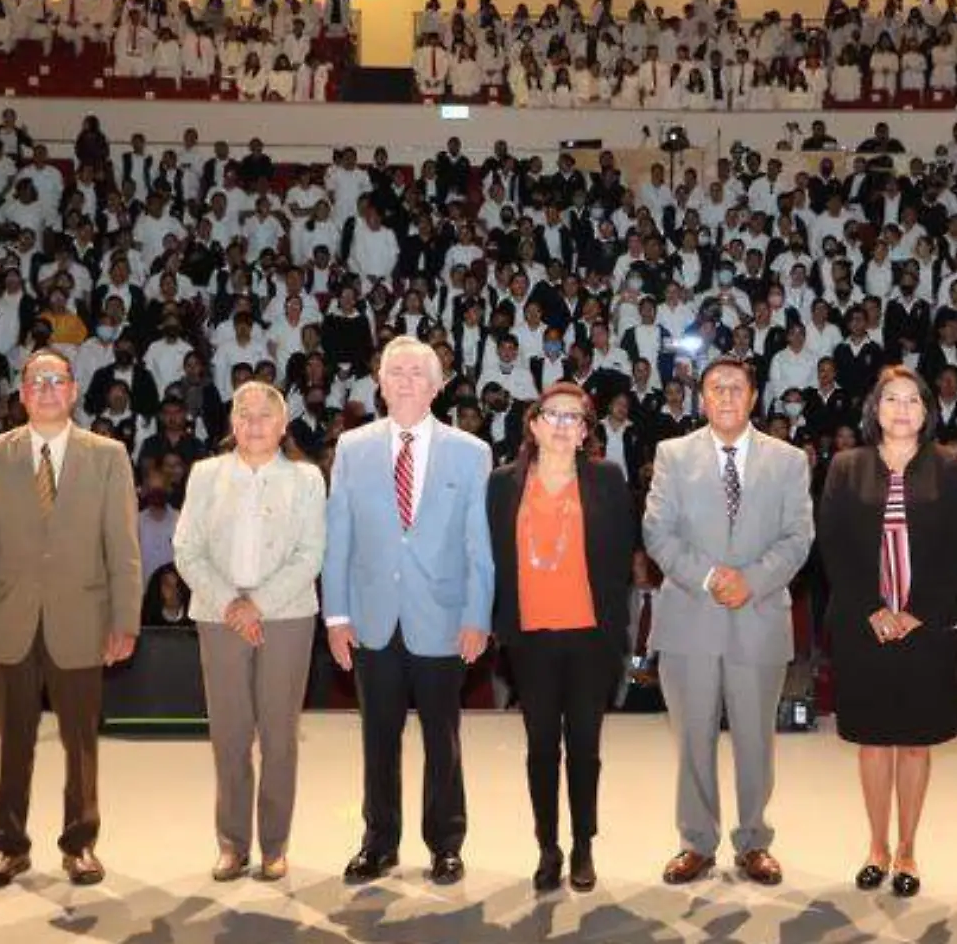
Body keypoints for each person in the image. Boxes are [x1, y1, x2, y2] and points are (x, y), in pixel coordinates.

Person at [0, 348, 142, 890]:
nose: (48, 388)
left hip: (82, 618)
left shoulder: (108, 455)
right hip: (6, 619)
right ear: (23, 391)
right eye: (38, 380)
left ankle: (80, 844)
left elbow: (123, 548)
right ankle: (8, 847)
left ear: (75, 390)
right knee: (13, 740)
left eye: (58, 379)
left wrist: (125, 620)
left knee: (81, 742)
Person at [323, 336, 495, 887]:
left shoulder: (471, 453)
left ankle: (446, 843)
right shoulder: (352, 447)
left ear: (438, 386)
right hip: (372, 620)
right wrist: (336, 616)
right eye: (394, 371)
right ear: (379, 381)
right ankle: (379, 842)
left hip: (443, 619)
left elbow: (478, 547)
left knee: (442, 739)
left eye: (417, 373)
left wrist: (477, 616)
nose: (404, 381)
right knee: (378, 737)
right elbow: (339, 538)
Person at [642, 356, 815, 888]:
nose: (725, 396)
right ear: (701, 398)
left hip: (758, 617)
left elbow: (798, 537)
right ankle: (696, 842)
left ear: (754, 397)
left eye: (736, 388)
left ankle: (754, 842)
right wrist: (714, 577)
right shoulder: (672, 454)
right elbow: (658, 532)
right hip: (691, 619)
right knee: (693, 737)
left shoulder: (788, 460)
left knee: (755, 739)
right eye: (715, 388)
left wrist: (752, 581)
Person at [817, 365, 957, 898]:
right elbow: (833, 544)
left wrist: (915, 611)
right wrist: (871, 609)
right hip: (865, 625)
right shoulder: (846, 466)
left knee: (913, 742)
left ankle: (907, 849)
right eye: (891, 399)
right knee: (872, 739)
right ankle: (876, 846)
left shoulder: (951, 466)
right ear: (874, 409)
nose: (902, 409)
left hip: (926, 626)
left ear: (927, 412)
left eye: (913, 399)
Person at [172, 381, 327, 883]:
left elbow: (310, 555)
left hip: (286, 616)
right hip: (219, 618)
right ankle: (232, 844)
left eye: (265, 415)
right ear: (231, 423)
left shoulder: (305, 480)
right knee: (230, 735)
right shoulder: (204, 474)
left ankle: (274, 845)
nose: (255, 423)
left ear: (284, 426)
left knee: (280, 736)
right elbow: (187, 549)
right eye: (245, 414)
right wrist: (231, 603)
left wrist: (256, 603)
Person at [485, 383, 636, 894]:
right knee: (541, 747)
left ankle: (584, 845)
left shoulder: (608, 480)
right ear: (533, 424)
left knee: (586, 749)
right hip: (530, 639)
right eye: (553, 415)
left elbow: (619, 563)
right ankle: (548, 846)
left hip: (590, 638)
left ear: (586, 432)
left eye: (575, 418)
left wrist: (616, 634)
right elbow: (491, 561)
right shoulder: (504, 484)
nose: (562, 425)